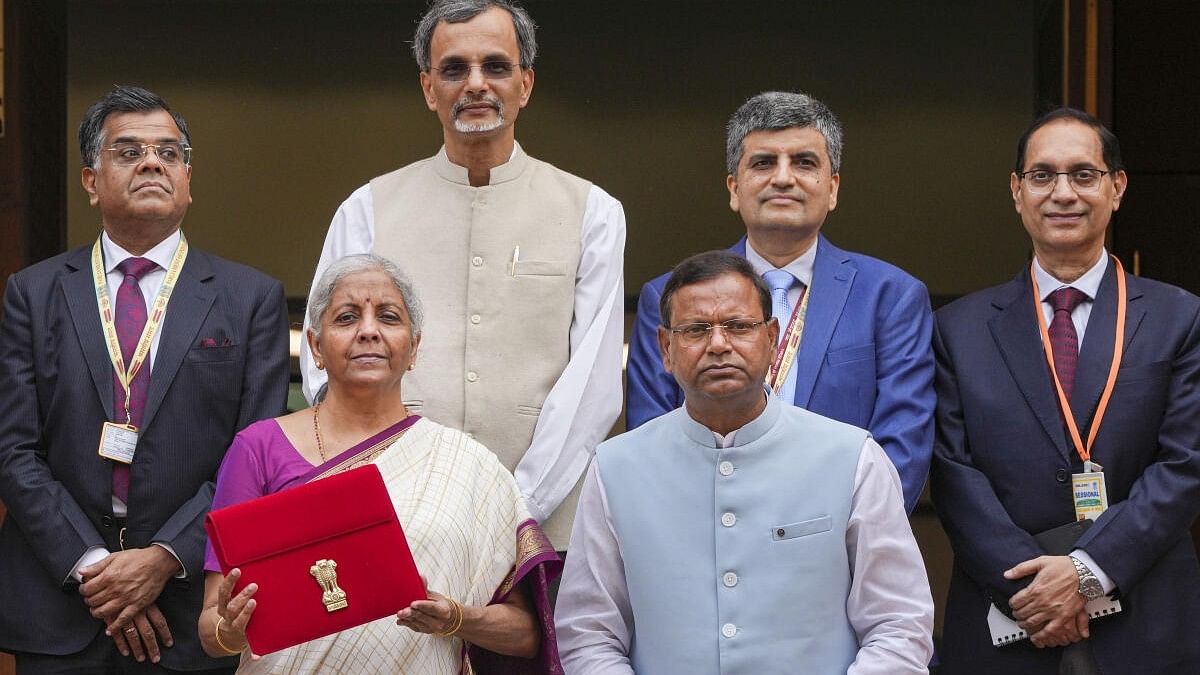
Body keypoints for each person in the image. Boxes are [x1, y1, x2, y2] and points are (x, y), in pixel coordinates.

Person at [301, 0, 625, 549]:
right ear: (429, 89)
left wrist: (517, 506)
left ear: (525, 83)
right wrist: (390, 493)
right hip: (391, 521)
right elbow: (325, 368)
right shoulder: (368, 208)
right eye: (455, 69)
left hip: (544, 530)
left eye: (495, 66)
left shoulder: (592, 210)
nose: (476, 84)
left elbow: (592, 388)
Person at [0, 86, 290, 673]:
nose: (153, 162)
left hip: (188, 610)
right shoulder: (33, 294)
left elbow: (253, 456)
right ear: (90, 180)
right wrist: (96, 569)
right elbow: (14, 451)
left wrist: (162, 558)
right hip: (61, 604)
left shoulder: (249, 298)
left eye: (170, 152)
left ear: (188, 179)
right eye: (128, 151)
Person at [556, 250, 934, 674]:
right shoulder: (615, 468)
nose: (719, 344)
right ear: (665, 347)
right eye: (697, 329)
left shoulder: (852, 457)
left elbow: (899, 624)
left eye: (738, 326)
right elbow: (587, 633)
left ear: (772, 338)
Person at [931, 108, 1200, 674]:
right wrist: (1034, 586)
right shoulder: (958, 328)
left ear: (1117, 187)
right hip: (1007, 614)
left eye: (1083, 174)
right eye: (1042, 175)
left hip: (1144, 617)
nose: (1063, 194)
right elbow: (951, 470)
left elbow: (1185, 463)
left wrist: (1086, 571)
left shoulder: (1180, 317)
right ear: (1016, 190)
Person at [201, 254, 562, 674]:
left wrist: (457, 618)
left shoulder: (468, 465)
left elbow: (525, 634)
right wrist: (232, 627)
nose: (368, 331)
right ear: (316, 346)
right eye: (347, 318)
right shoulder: (258, 449)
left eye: (389, 317)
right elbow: (211, 632)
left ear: (413, 347)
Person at [626, 91, 934, 512]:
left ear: (833, 188)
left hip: (837, 549)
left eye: (804, 163)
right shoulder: (668, 297)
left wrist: (821, 536)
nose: (783, 178)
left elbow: (902, 450)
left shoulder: (891, 297)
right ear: (734, 188)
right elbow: (649, 440)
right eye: (763, 163)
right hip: (701, 534)